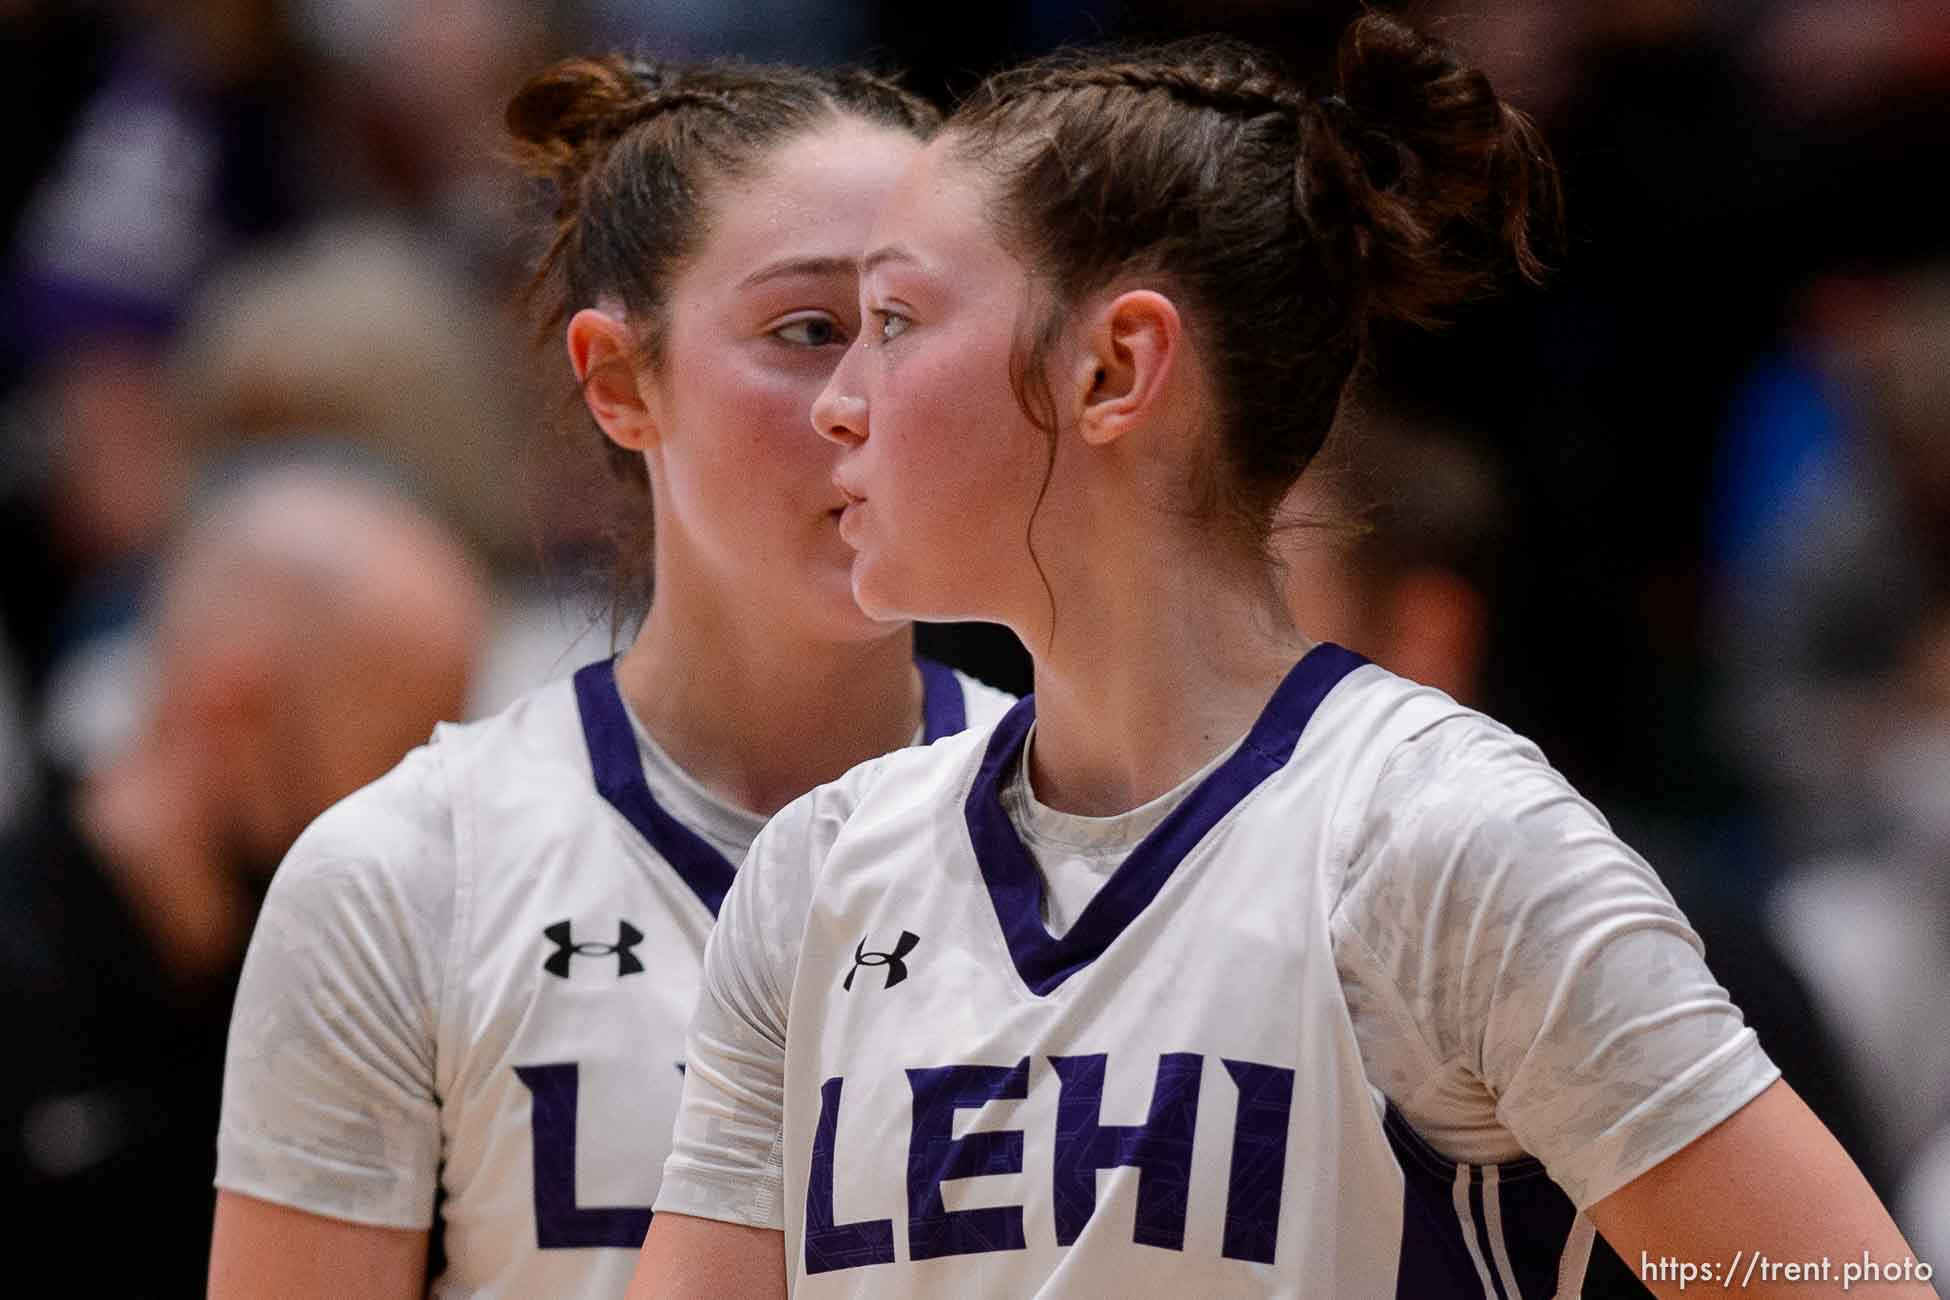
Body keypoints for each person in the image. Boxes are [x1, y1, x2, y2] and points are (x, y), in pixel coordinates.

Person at [632, 16, 1934, 1299]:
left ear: (1113, 368)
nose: (839, 398)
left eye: (897, 319)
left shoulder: (1439, 842)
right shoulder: (818, 876)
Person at [207, 55, 1012, 1300]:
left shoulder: (1125, 825)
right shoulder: (409, 873)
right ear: (620, 379)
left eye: (911, 327)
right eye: (807, 330)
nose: (870, 401)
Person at [1, 460, 488, 1298]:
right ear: (232, 715)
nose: (433, 828)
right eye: (397, 762)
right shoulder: (23, 973)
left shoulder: (384, 998)